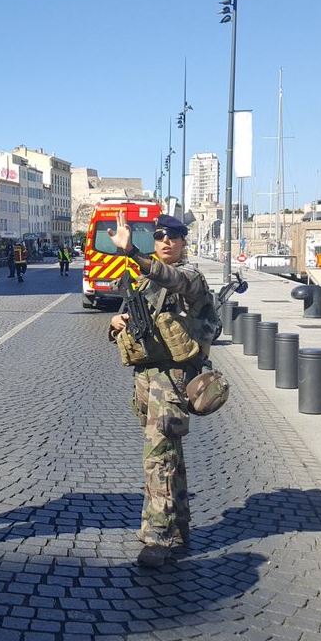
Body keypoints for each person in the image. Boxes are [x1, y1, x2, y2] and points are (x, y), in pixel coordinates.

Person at [106, 213, 213, 568]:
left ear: (184, 243)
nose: (167, 241)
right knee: (170, 456)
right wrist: (115, 323)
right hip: (148, 378)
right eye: (161, 235)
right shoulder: (145, 284)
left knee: (159, 459)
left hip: (173, 380)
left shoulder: (190, 277)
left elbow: (172, 278)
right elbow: (132, 321)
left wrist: (131, 252)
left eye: (175, 236)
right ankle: (179, 527)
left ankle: (158, 537)